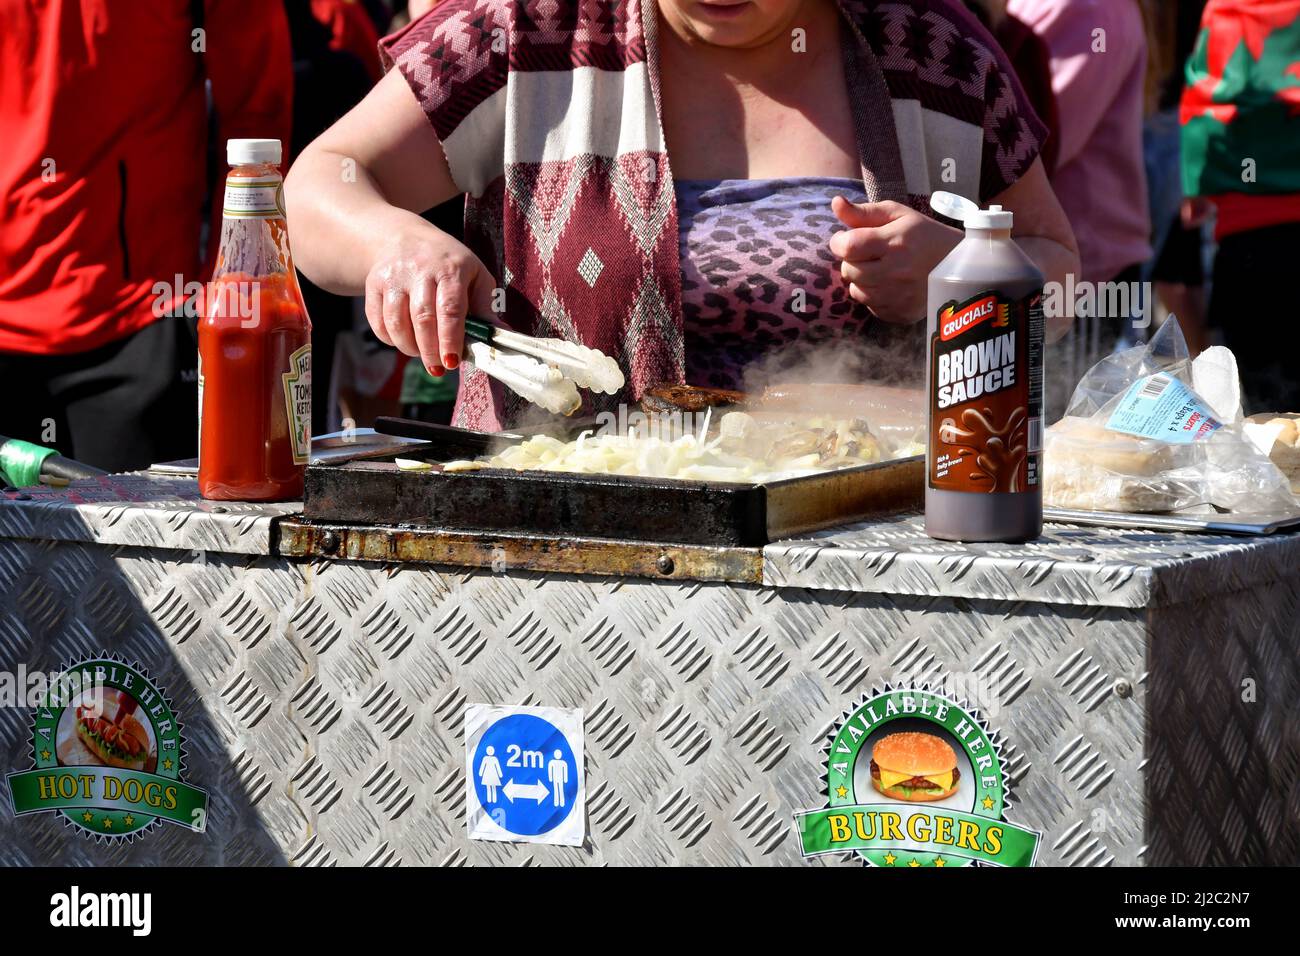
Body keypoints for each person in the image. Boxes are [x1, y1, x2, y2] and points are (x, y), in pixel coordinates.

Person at [285, 0, 1079, 430]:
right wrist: (396, 242)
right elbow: (321, 181)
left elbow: (1062, 273)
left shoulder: (932, 53)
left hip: (864, 557)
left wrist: (961, 273)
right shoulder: (529, 33)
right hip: (558, 559)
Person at [0, 2, 294, 472]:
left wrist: (234, 279)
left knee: (141, 541)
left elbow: (259, 115)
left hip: (139, 316)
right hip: (93, 310)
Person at [1005, 0, 1151, 417]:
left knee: (1069, 434)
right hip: (1068, 262)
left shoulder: (1084, 9)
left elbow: (1027, 147)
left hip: (1081, 271)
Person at [1182, 0, 1300, 413]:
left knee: (1271, 418)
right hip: (1255, 237)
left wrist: (1194, 185)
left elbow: (1208, 102)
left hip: (1252, 242)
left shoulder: (1235, 7)